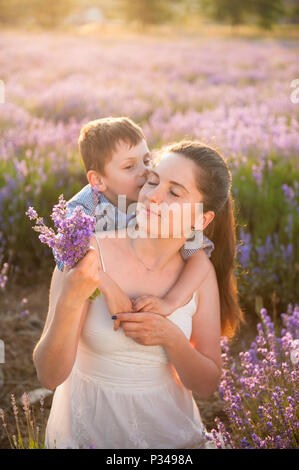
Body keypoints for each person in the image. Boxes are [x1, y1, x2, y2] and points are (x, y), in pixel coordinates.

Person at [33, 140, 244, 449]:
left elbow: (206, 384)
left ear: (201, 220)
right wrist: (72, 296)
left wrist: (169, 336)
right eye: (153, 181)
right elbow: (49, 377)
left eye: (174, 192)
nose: (152, 197)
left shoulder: (198, 275)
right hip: (86, 435)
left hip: (170, 440)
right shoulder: (88, 253)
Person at [53, 116, 215, 330]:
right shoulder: (85, 207)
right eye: (129, 166)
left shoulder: (158, 206)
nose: (145, 171)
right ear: (98, 181)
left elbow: (199, 257)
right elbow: (67, 251)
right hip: (96, 309)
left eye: (147, 161)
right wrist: (108, 286)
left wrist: (172, 302)